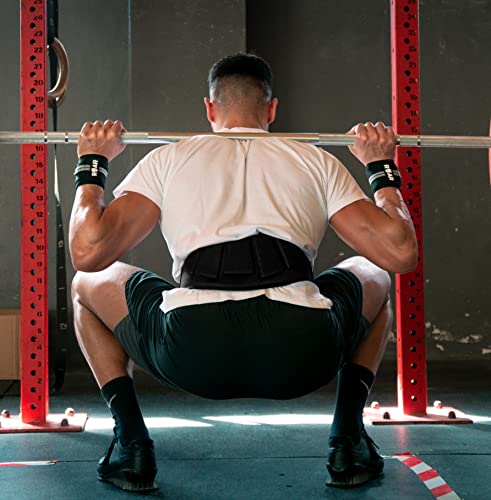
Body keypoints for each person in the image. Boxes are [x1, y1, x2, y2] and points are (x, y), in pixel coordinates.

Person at [70, 53, 417, 493]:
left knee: (86, 286)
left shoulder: (168, 159)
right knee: (375, 273)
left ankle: (131, 446)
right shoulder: (315, 160)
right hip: (301, 354)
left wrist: (93, 161)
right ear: (272, 109)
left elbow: (87, 250)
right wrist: (380, 166)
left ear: (210, 109)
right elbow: (400, 253)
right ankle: (348, 441)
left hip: (193, 353)